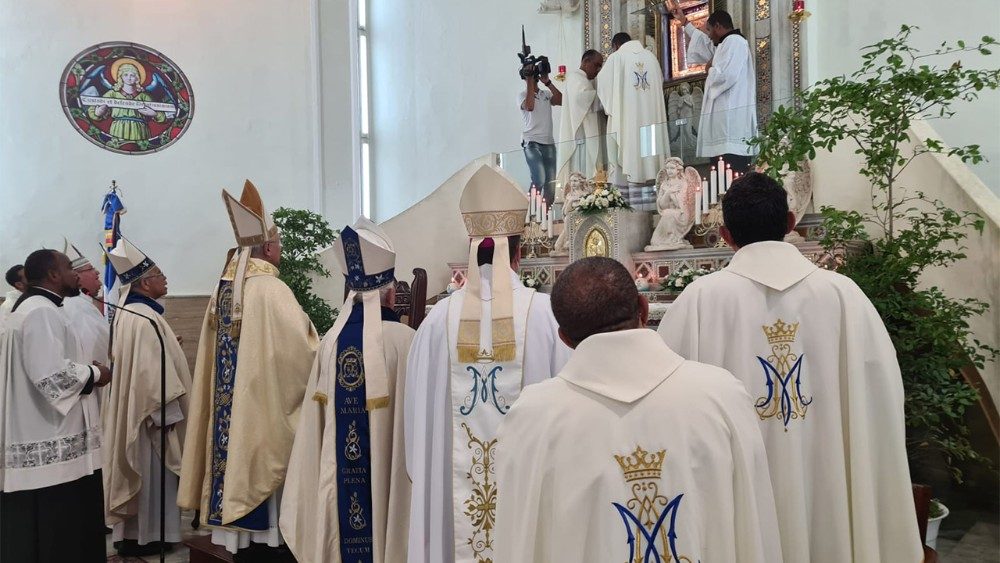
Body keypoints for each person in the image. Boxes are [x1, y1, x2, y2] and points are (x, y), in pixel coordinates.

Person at [657, 173, 923, 562]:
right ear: (791, 223)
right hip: (831, 496)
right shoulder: (844, 296)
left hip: (737, 502)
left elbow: (668, 415)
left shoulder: (698, 303)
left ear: (726, 235)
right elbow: (880, 399)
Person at [494, 257, 782, 562]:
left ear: (563, 338)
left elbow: (519, 541)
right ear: (644, 309)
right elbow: (754, 531)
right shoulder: (722, 396)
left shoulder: (532, 420)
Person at [405, 164, 571, 563]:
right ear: (518, 252)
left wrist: (430, 472)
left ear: (473, 246)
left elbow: (415, 429)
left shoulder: (434, 323)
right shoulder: (547, 316)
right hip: (532, 500)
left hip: (449, 510)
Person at [178, 180, 320, 560]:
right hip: (261, 408)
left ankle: (237, 539)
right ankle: (269, 538)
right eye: (280, 246)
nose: (282, 253)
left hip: (234, 410)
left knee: (237, 452)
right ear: (268, 248)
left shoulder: (224, 290)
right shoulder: (273, 291)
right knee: (262, 453)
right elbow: (302, 353)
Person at [281, 217, 413, 563]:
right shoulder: (407, 342)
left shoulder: (330, 343)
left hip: (338, 494)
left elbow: (316, 427)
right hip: (389, 490)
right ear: (391, 292)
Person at [0, 249, 111, 562]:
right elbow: (50, 377)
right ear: (52, 275)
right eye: (68, 268)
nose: (74, 274)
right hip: (50, 440)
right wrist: (95, 372)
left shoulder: (36, 307)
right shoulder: (41, 311)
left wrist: (81, 367)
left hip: (43, 434)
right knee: (58, 535)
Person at [103, 238, 191, 557]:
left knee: (146, 479)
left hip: (139, 411)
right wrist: (166, 416)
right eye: (159, 274)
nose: (165, 278)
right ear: (144, 283)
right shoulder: (145, 317)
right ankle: (152, 535)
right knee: (153, 478)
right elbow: (151, 376)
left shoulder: (131, 313)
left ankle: (133, 534)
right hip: (151, 418)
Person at [667, 2, 757, 172]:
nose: (708, 35)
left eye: (709, 30)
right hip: (723, 123)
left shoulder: (735, 42)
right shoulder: (724, 44)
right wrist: (684, 22)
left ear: (718, 26)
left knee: (733, 172)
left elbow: (726, 76)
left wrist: (710, 69)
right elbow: (705, 45)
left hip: (731, 121)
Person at [596, 32, 668, 208]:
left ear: (615, 46)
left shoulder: (616, 58)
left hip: (627, 124)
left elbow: (602, 86)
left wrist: (611, 109)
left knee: (629, 155)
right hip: (650, 123)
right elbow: (660, 83)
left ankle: (629, 207)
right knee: (649, 159)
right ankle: (651, 205)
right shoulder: (651, 58)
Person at [556, 49, 605, 181]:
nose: (598, 70)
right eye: (597, 65)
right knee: (581, 168)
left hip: (585, 133)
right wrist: (604, 96)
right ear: (586, 61)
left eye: (600, 66)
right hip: (580, 134)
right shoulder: (576, 78)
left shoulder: (583, 80)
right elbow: (581, 99)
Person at [62, 239, 110, 368]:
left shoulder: (80, 302)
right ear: (76, 275)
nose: (97, 272)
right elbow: (93, 347)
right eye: (91, 268)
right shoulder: (76, 305)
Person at [519, 64, 563, 205]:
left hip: (548, 143)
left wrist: (548, 82)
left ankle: (545, 220)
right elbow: (530, 106)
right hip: (531, 142)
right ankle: (529, 214)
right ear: (524, 77)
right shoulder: (521, 96)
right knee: (539, 179)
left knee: (550, 185)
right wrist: (529, 80)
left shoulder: (545, 94)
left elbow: (561, 100)